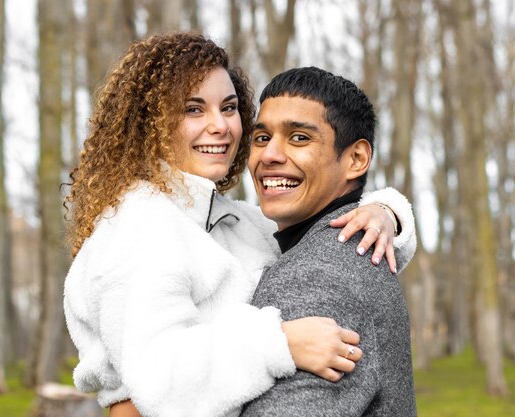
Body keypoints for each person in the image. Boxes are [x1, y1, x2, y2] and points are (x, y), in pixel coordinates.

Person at [63, 32, 416, 417]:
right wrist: (277, 344)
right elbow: (159, 384)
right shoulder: (138, 229)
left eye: (229, 108)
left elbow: (330, 250)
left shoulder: (238, 221)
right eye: (193, 110)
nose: (220, 126)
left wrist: (387, 210)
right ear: (151, 124)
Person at [240, 67, 417, 417]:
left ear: (356, 159)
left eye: (299, 138)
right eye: (261, 138)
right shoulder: (351, 250)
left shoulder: (314, 276)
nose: (269, 155)